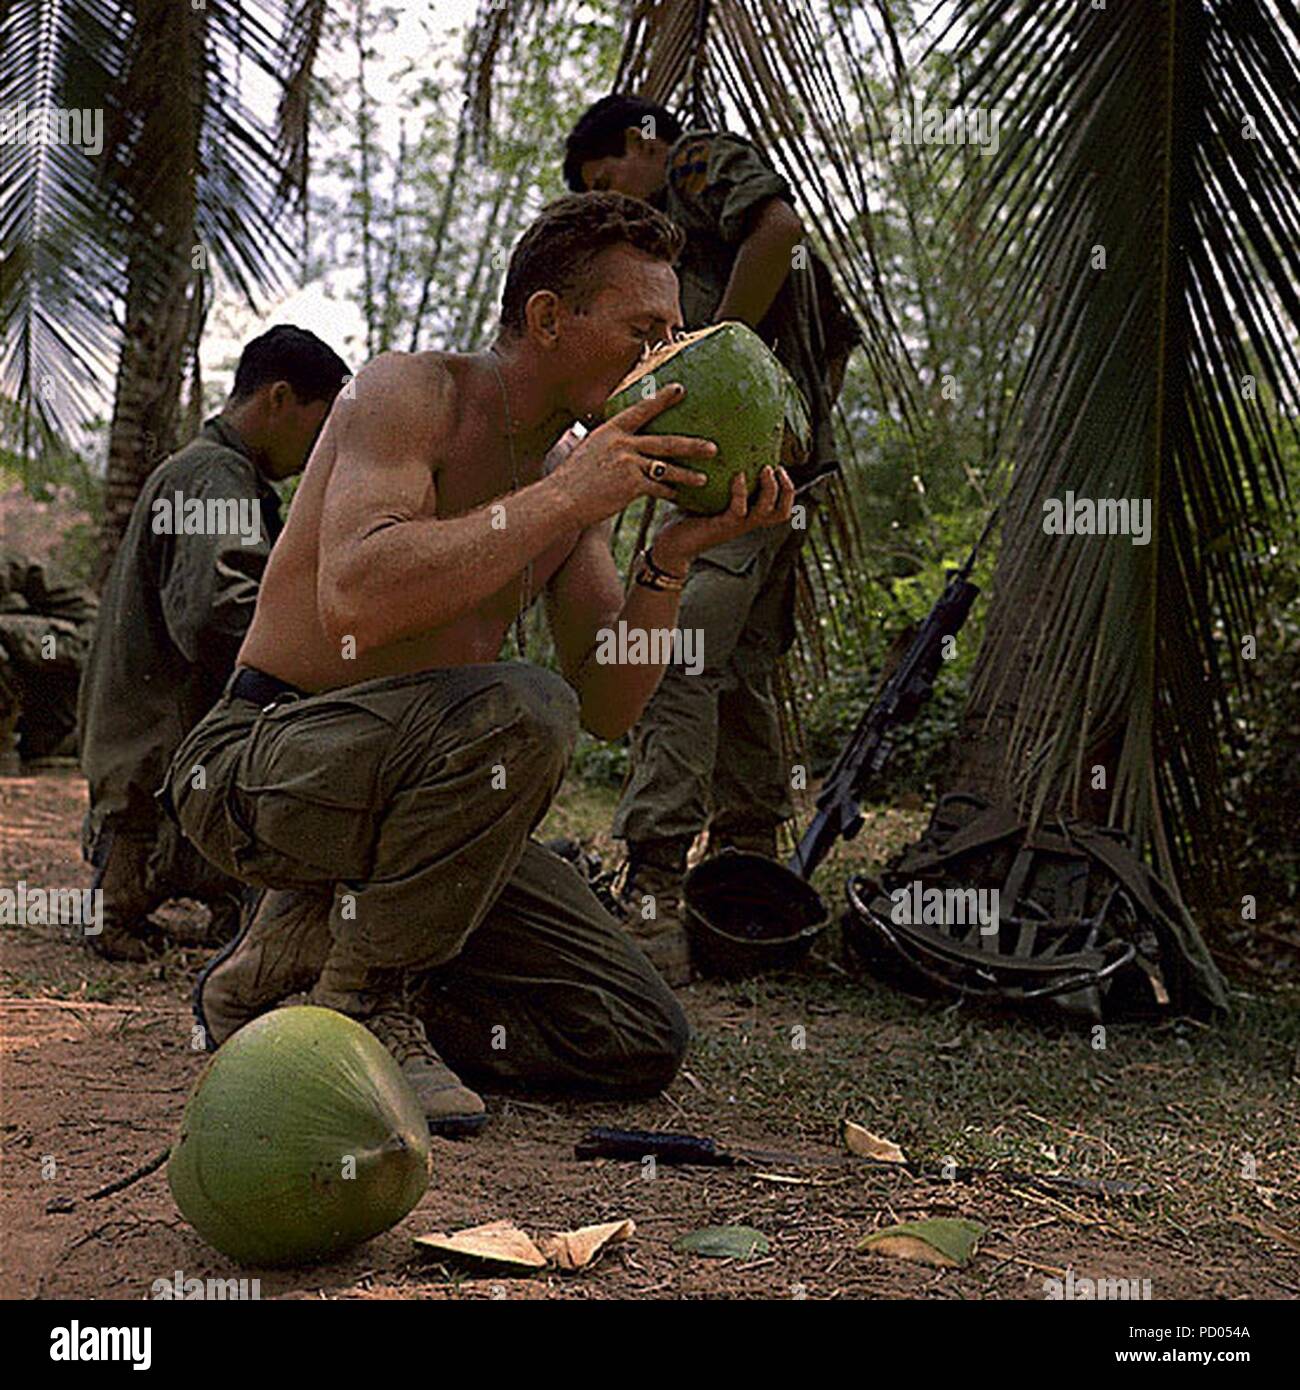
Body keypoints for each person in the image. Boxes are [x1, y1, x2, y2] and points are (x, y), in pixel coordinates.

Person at [163, 193, 795, 1134]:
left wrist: (671, 554)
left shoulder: (573, 470)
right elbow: (360, 599)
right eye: (643, 329)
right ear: (548, 318)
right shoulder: (407, 391)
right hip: (259, 766)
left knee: (632, 1034)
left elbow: (612, 702)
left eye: (675, 330)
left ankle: (290, 970)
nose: (665, 352)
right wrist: (564, 500)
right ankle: (362, 1008)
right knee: (525, 705)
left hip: (409, 806)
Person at [563, 94, 861, 984]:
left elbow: (779, 228)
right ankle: (747, 875)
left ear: (633, 145)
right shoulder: (690, 200)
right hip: (781, 471)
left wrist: (703, 347)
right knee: (742, 665)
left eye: (607, 180)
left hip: (742, 475)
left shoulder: (691, 156)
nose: (624, 205)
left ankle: (656, 889)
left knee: (678, 648)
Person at [78, 326, 349, 962]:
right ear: (279, 399)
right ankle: (124, 899)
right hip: (155, 763)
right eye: (322, 426)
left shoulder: (212, 473)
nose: (320, 452)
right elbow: (217, 616)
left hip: (149, 759)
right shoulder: (213, 476)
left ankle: (168, 889)